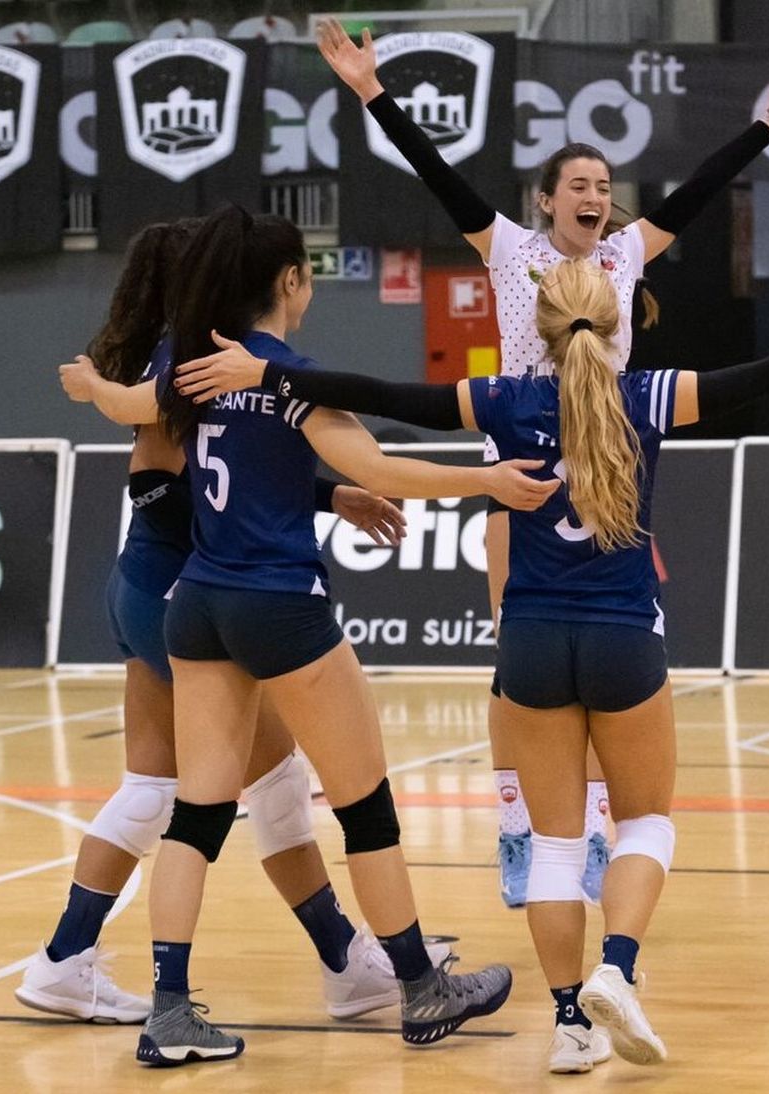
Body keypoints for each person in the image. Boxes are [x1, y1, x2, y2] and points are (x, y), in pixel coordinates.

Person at [169, 256, 769, 1073]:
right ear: (616, 324)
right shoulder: (650, 396)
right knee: (647, 822)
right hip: (622, 635)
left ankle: (567, 1026)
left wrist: (266, 370)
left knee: (554, 845)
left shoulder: (505, 399)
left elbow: (383, 394)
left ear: (540, 328)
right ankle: (616, 971)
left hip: (530, 641)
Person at [317, 17, 769, 908]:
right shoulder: (510, 251)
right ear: (548, 201)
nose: (597, 195)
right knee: (516, 669)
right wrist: (372, 93)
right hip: (517, 464)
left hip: (608, 462)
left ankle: (592, 830)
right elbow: (438, 176)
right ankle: (518, 826)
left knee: (604, 667)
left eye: (604, 185)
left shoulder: (625, 254)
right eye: (580, 185)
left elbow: (702, 189)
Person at [68, 205, 556, 1067]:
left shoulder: (188, 365)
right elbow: (378, 466)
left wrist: (88, 385)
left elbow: (123, 404)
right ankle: (420, 987)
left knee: (197, 815)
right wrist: (487, 479)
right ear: (289, 281)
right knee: (365, 806)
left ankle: (170, 1009)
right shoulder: (289, 373)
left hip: (197, 604)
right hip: (279, 603)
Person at [32, 220, 447, 1027]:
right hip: (179, 589)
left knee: (170, 791)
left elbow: (230, 461)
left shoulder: (190, 363)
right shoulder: (202, 364)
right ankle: (351, 963)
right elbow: (176, 489)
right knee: (251, 792)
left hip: (163, 591)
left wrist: (325, 495)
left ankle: (72, 961)